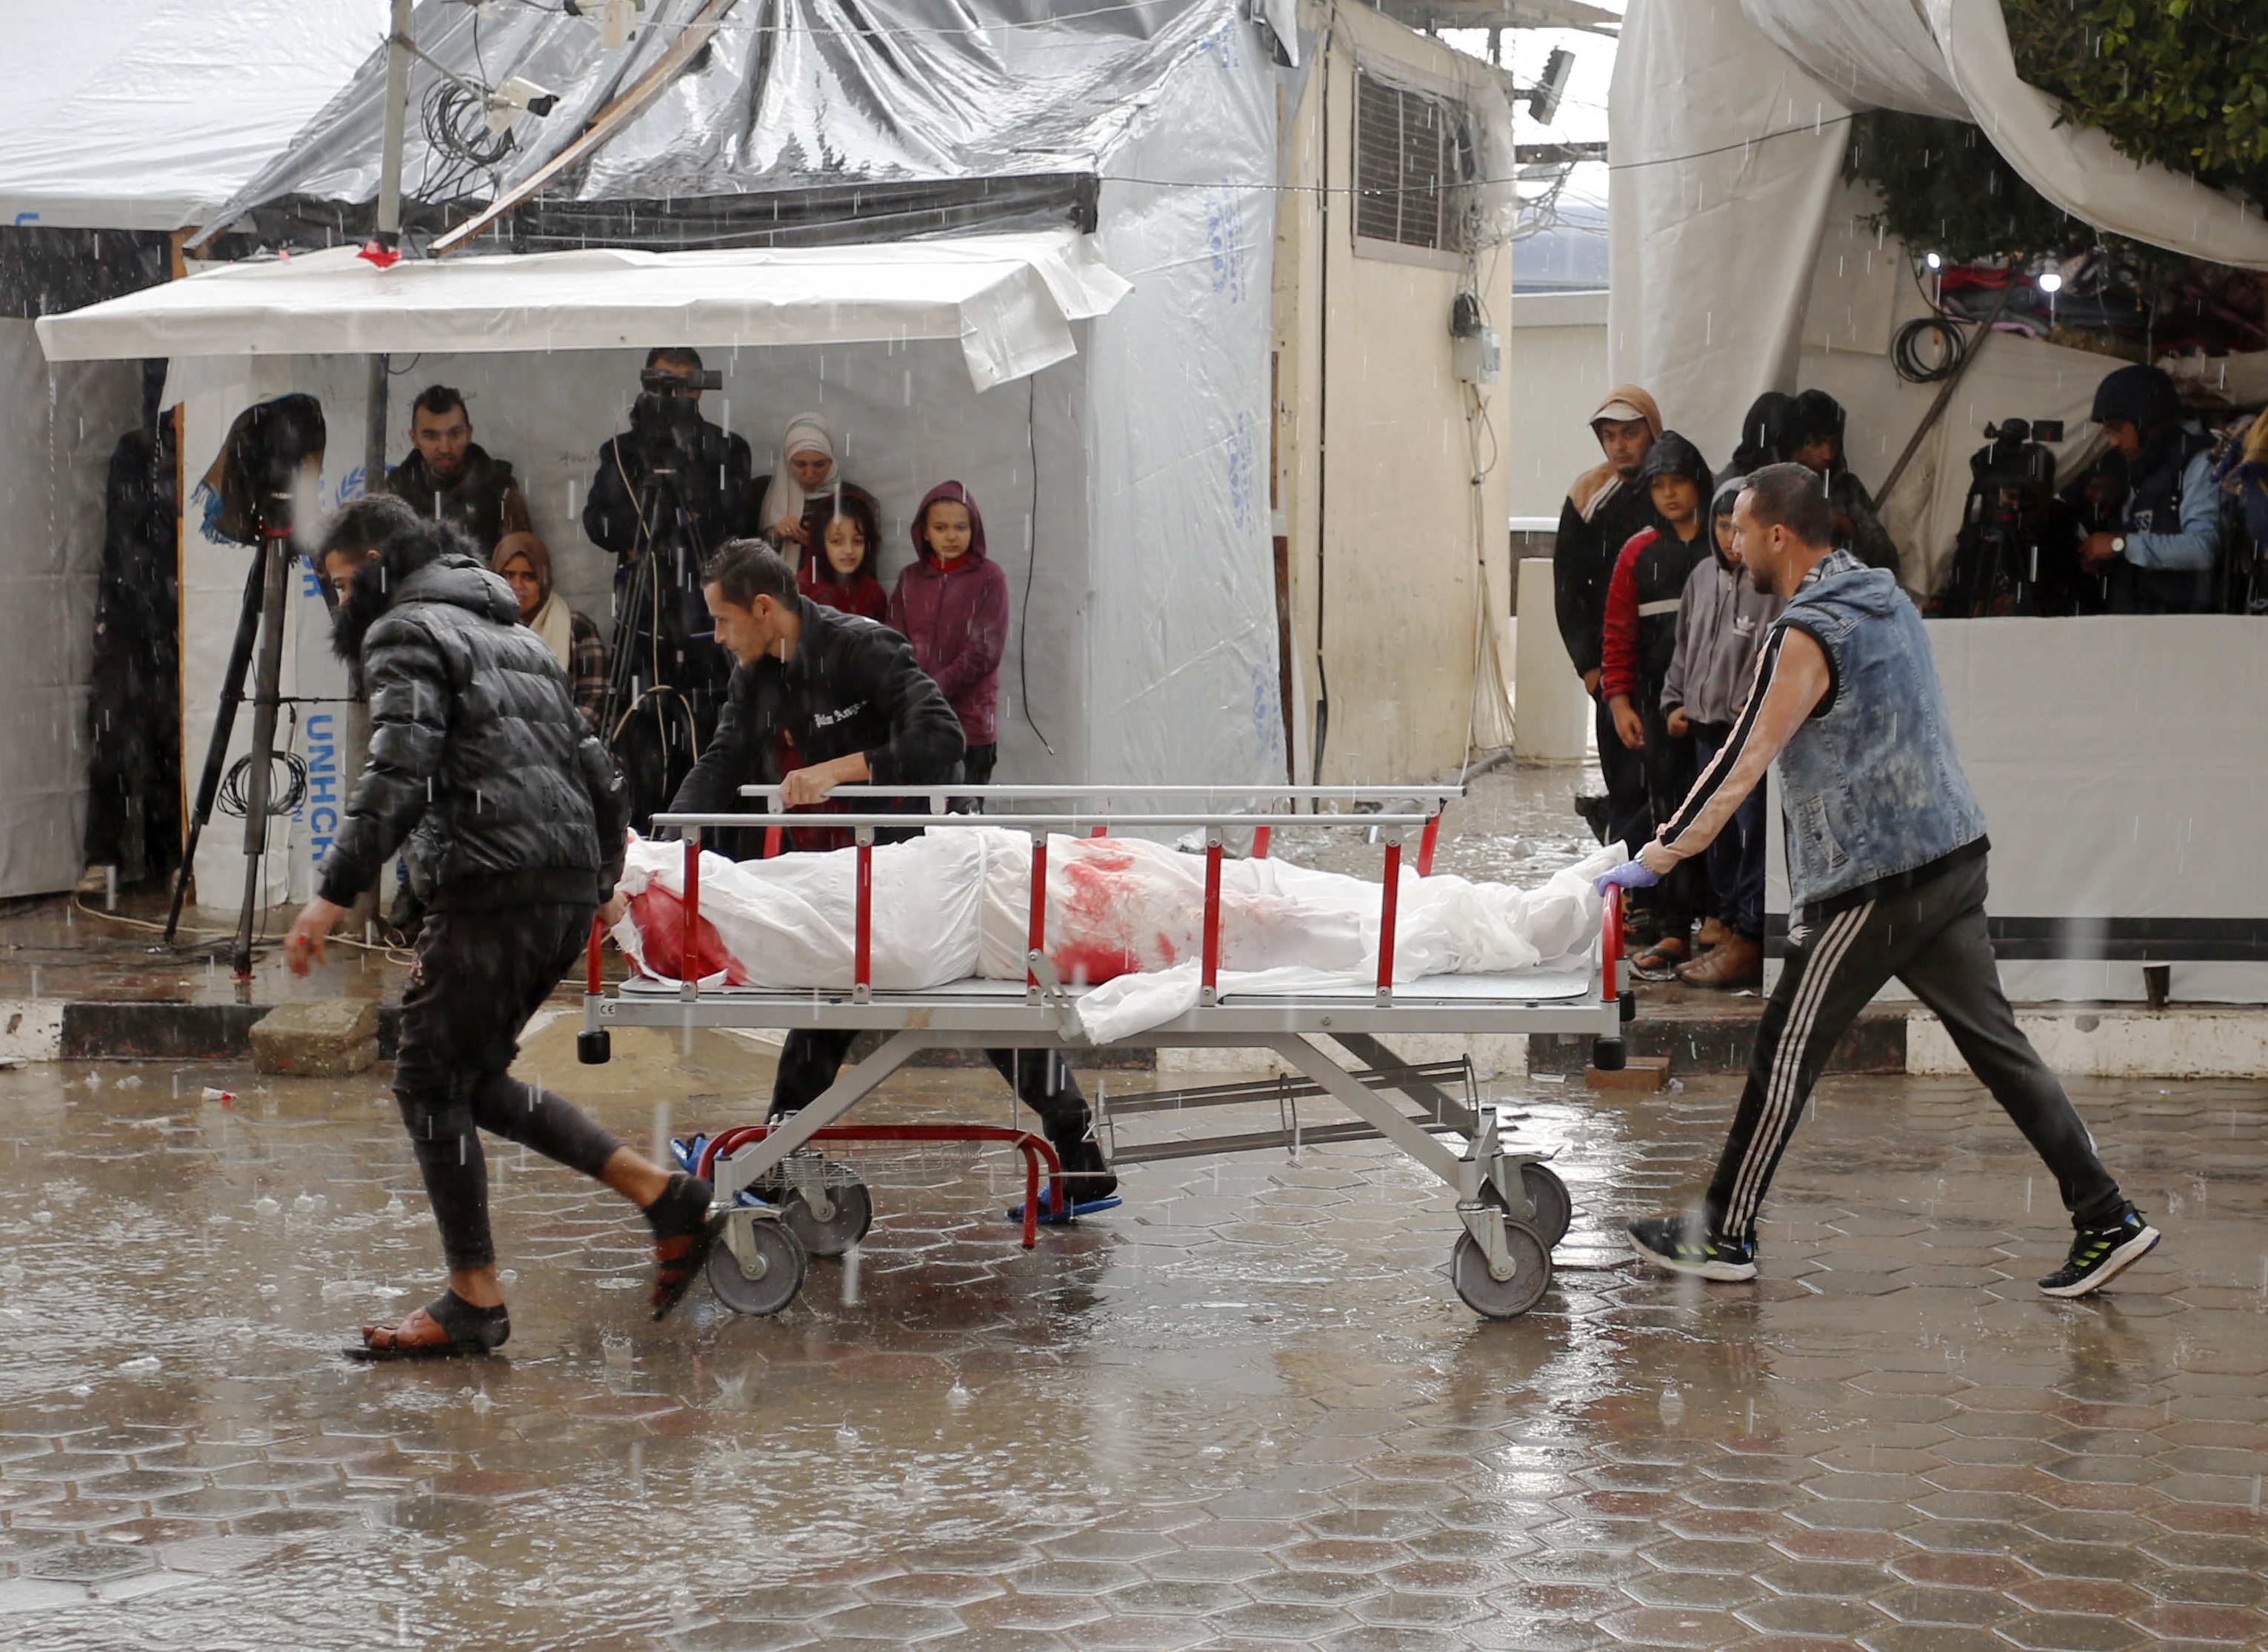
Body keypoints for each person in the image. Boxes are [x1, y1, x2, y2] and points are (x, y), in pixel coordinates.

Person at [1612, 464, 2159, 1300]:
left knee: (1783, 1049)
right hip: (1949, 857)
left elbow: (1740, 758)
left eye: (1741, 531)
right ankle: (2105, 1213)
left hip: (1870, 881)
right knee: (1999, 1049)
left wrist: (1658, 853)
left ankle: (1723, 1231)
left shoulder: (1804, 631)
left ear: (1778, 536)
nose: (1733, 546)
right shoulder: (1887, 600)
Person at [285, 495, 721, 1359]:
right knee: (470, 1078)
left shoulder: (403, 630)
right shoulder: (517, 634)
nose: (341, 606)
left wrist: (332, 892)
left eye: (342, 585)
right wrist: (594, 881)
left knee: (422, 1077)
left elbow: (399, 768)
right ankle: (664, 1195)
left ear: (378, 562)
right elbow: (600, 770)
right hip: (552, 887)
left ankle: (473, 1298)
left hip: (492, 884)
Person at [661, 539, 1117, 1205]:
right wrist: (664, 849)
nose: (719, 636)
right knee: (840, 996)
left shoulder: (861, 647)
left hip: (942, 857)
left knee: (976, 1007)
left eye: (724, 620)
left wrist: (841, 768)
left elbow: (942, 739)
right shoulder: (756, 674)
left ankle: (778, 1153)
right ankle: (1079, 1165)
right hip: (871, 863)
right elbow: (722, 761)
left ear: (764, 608)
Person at [583, 348, 758, 820]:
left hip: (707, 625)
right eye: (662, 383)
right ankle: (637, 835)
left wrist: (694, 480)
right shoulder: (622, 451)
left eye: (682, 384)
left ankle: (712, 839)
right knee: (640, 743)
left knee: (711, 738)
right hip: (644, 623)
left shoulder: (726, 449)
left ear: (700, 387)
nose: (673, 394)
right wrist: (642, 526)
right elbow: (597, 526)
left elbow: (737, 527)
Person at [1658, 475, 1783, 989]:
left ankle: (1750, 932)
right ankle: (1728, 923)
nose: (1733, 539)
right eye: (1724, 526)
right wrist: (1674, 698)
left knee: (1752, 833)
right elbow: (1684, 647)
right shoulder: (1701, 577)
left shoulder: (1768, 586)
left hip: (1743, 732)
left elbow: (1772, 657)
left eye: (1742, 528)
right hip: (1706, 730)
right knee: (1720, 838)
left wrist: (1745, 706)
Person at [1598, 432, 1715, 975]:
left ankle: (1721, 921)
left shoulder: (1724, 545)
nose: (1669, 495)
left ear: (1700, 483)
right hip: (1653, 704)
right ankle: (1672, 928)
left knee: (1722, 810)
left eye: (1679, 483)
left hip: (1718, 704)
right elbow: (1618, 635)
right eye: (1659, 486)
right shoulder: (1637, 553)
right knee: (1668, 812)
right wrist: (1620, 702)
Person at [1552, 386, 1664, 926]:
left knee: (1675, 785)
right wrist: (1594, 673)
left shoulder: (1676, 488)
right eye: (1610, 435)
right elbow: (1568, 589)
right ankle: (1629, 899)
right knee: (1626, 785)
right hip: (1615, 673)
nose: (1620, 446)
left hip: (1673, 671)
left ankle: (1672, 900)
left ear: (1653, 430)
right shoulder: (1586, 496)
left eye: (1631, 432)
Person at [889, 481, 1011, 790]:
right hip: (917, 723)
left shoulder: (989, 578)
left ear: (975, 529)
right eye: (941, 527)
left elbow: (984, 652)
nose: (952, 535)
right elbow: (892, 644)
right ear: (925, 532)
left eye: (960, 526)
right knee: (918, 825)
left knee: (964, 823)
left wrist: (930, 690)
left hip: (970, 723)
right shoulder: (910, 579)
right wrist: (911, 694)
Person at [2079, 363, 2227, 612]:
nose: (2113, 442)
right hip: (2137, 622)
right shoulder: (2139, 467)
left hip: (2184, 626)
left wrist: (2120, 545)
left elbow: (2204, 548)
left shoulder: (2199, 463)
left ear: (2146, 421)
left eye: (2117, 429)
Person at [381, 385, 532, 556]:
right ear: (414, 438)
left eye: (455, 434)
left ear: (469, 433)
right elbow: (383, 562)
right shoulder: (397, 491)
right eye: (431, 436)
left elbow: (518, 566)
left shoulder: (499, 487)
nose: (445, 448)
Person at [493, 531, 609, 735]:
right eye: (508, 575)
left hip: (565, 755)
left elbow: (595, 701)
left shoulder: (576, 629)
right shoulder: (485, 629)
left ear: (544, 579)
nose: (517, 586)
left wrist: (557, 743)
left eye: (528, 577)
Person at [1787, 389, 1901, 578]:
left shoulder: (1847, 489)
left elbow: (1887, 560)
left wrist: (1843, 524)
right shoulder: (1774, 487)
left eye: (1834, 444)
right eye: (1817, 442)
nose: (1828, 454)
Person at [753, 412, 880, 559]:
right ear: (787, 461)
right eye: (800, 465)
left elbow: (866, 566)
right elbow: (739, 557)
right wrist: (775, 534)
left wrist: (821, 546)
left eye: (819, 465)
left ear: (831, 461)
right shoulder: (761, 493)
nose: (809, 474)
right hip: (769, 582)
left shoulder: (856, 502)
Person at [796, 490, 890, 623]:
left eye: (857, 541)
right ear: (821, 543)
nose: (849, 550)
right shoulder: (799, 590)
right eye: (837, 541)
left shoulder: (874, 593)